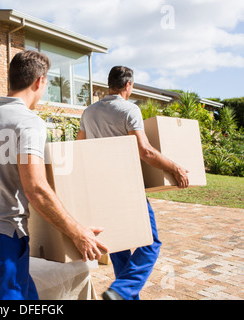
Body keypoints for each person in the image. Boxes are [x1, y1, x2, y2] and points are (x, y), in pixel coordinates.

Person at [0, 50, 108, 300]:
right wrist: (77, 232)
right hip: (3, 237)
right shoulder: (28, 122)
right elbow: (36, 187)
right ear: (39, 81)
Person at [77, 66, 189, 300]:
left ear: (110, 84)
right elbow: (145, 152)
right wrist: (174, 168)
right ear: (128, 85)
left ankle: (123, 295)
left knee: (119, 244)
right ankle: (121, 290)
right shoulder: (129, 110)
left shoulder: (88, 113)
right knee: (151, 242)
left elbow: (79, 149)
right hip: (126, 187)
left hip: (100, 188)